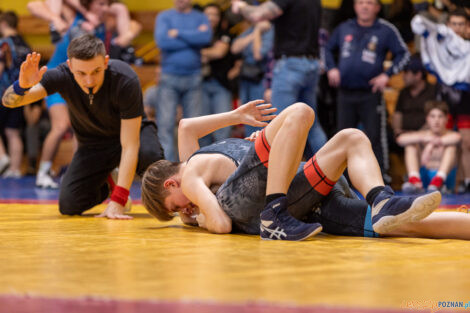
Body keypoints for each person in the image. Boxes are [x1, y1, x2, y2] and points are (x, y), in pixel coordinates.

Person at [141, 99, 441, 240]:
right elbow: (219, 223)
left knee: (352, 137)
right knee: (299, 111)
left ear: (170, 185)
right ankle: (275, 212)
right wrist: (201, 216)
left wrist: (237, 116)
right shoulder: (193, 175)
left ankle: (382, 200)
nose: (184, 212)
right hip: (257, 202)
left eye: (175, 209)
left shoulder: (192, 166)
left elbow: (186, 126)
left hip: (300, 195)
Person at [2, 34, 164, 219]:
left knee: (153, 161)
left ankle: (123, 184)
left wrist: (119, 200)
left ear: (105, 62)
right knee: (69, 204)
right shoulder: (62, 75)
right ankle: (106, 183)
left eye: (96, 71)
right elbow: (10, 101)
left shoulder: (124, 78)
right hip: (94, 144)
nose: (89, 81)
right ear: (70, 66)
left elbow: (130, 145)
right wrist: (21, 86)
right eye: (81, 73)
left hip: (133, 136)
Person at [231, 0, 328, 157]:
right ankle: (333, 177)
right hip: (311, 64)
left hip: (290, 65)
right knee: (312, 125)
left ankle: (280, 177)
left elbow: (257, 14)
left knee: (280, 124)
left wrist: (241, 6)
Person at [325, 0, 410, 174]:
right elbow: (326, 49)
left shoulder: (386, 29)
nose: (365, 6)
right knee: (342, 137)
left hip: (370, 93)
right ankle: (341, 180)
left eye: (370, 3)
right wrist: (331, 68)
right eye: (361, 2)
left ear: (377, 7)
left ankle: (381, 178)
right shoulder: (344, 28)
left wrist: (386, 75)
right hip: (344, 93)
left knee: (375, 137)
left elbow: (404, 54)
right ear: (355, 6)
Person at [412, 9, 470, 192]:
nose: (457, 28)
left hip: (465, 97)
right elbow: (425, 31)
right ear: (448, 25)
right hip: (443, 96)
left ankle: (466, 181)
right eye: (454, 24)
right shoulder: (438, 41)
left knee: (466, 142)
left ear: (467, 27)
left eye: (461, 24)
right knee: (441, 139)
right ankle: (443, 182)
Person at [154, 0, 212, 161]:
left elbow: (205, 38)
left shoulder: (200, 17)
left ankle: (192, 166)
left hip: (194, 77)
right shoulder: (164, 16)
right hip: (169, 77)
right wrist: (193, 36)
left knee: (194, 126)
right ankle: (167, 168)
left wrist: (178, 33)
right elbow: (163, 42)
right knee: (165, 125)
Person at [397, 101, 461, 194]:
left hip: (446, 181)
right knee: (410, 145)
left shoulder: (451, 135)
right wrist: (424, 138)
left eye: (440, 116)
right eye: (433, 116)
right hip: (424, 180)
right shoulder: (423, 135)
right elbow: (400, 139)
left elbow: (458, 138)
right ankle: (414, 179)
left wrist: (431, 144)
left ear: (447, 119)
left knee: (451, 147)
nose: (436, 120)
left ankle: (439, 179)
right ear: (427, 119)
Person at [0, 11, 32, 178]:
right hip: (21, 92)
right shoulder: (25, 44)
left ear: (4, 23)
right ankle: (15, 169)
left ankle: (3, 157)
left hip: (3, 92)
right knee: (13, 132)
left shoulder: (4, 43)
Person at [199, 3, 235, 146]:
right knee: (202, 127)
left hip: (221, 84)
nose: (211, 18)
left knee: (223, 127)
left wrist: (201, 53)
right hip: (200, 84)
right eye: (208, 14)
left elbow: (219, 52)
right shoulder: (197, 35)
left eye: (215, 14)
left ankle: (223, 160)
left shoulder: (224, 34)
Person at [391, 54, 436, 138]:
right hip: (403, 135)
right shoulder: (403, 92)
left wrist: (417, 135)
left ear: (418, 75)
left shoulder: (433, 91)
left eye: (406, 73)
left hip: (425, 136)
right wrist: (397, 130)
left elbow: (435, 118)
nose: (403, 76)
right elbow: (397, 114)